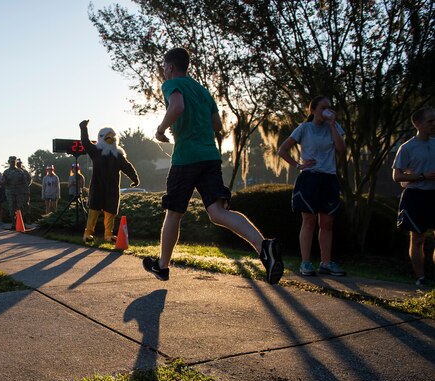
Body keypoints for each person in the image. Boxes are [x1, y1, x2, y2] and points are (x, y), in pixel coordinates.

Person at [145, 47, 284, 284]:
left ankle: (162, 266)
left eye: (164, 66)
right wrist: (190, 123)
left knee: (174, 212)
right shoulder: (202, 91)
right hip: (210, 156)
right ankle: (263, 246)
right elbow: (217, 125)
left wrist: (160, 129)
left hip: (187, 157)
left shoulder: (170, 84)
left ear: (169, 66)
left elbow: (177, 107)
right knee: (218, 212)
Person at [277, 95, 347, 277]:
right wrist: (298, 165)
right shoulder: (304, 128)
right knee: (308, 221)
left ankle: (326, 263)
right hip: (309, 179)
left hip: (329, 178)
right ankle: (306, 263)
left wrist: (332, 125)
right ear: (313, 110)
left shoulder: (335, 127)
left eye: (330, 107)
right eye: (324, 107)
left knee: (327, 223)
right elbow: (282, 150)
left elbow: (341, 149)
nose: (328, 110)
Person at [392, 106, 435, 286]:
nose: (434, 124)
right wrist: (423, 176)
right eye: (430, 121)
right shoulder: (407, 147)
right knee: (417, 238)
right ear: (417, 124)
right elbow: (397, 176)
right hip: (415, 196)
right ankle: (421, 278)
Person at [79, 120, 139, 242]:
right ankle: (88, 233)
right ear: (100, 139)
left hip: (112, 189)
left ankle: (108, 235)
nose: (110, 138)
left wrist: (135, 178)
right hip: (97, 187)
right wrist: (83, 128)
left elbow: (127, 167)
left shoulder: (118, 156)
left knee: (110, 211)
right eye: (106, 136)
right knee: (93, 211)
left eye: (112, 135)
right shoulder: (96, 152)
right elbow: (85, 142)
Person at [3, 156, 28, 229]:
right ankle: (13, 224)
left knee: (20, 208)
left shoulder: (20, 172)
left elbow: (25, 183)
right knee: (11, 208)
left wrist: (26, 192)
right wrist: (5, 180)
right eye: (11, 162)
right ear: (9, 162)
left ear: (16, 162)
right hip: (10, 192)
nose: (12, 163)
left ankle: (21, 223)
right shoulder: (6, 172)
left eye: (14, 162)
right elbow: (3, 183)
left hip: (19, 193)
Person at [16, 158, 32, 225]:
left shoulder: (25, 172)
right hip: (17, 192)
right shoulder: (14, 172)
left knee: (26, 205)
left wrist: (25, 186)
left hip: (25, 192)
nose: (19, 164)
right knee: (18, 206)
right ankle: (19, 221)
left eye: (20, 163)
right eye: (18, 163)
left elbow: (30, 180)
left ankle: (28, 220)